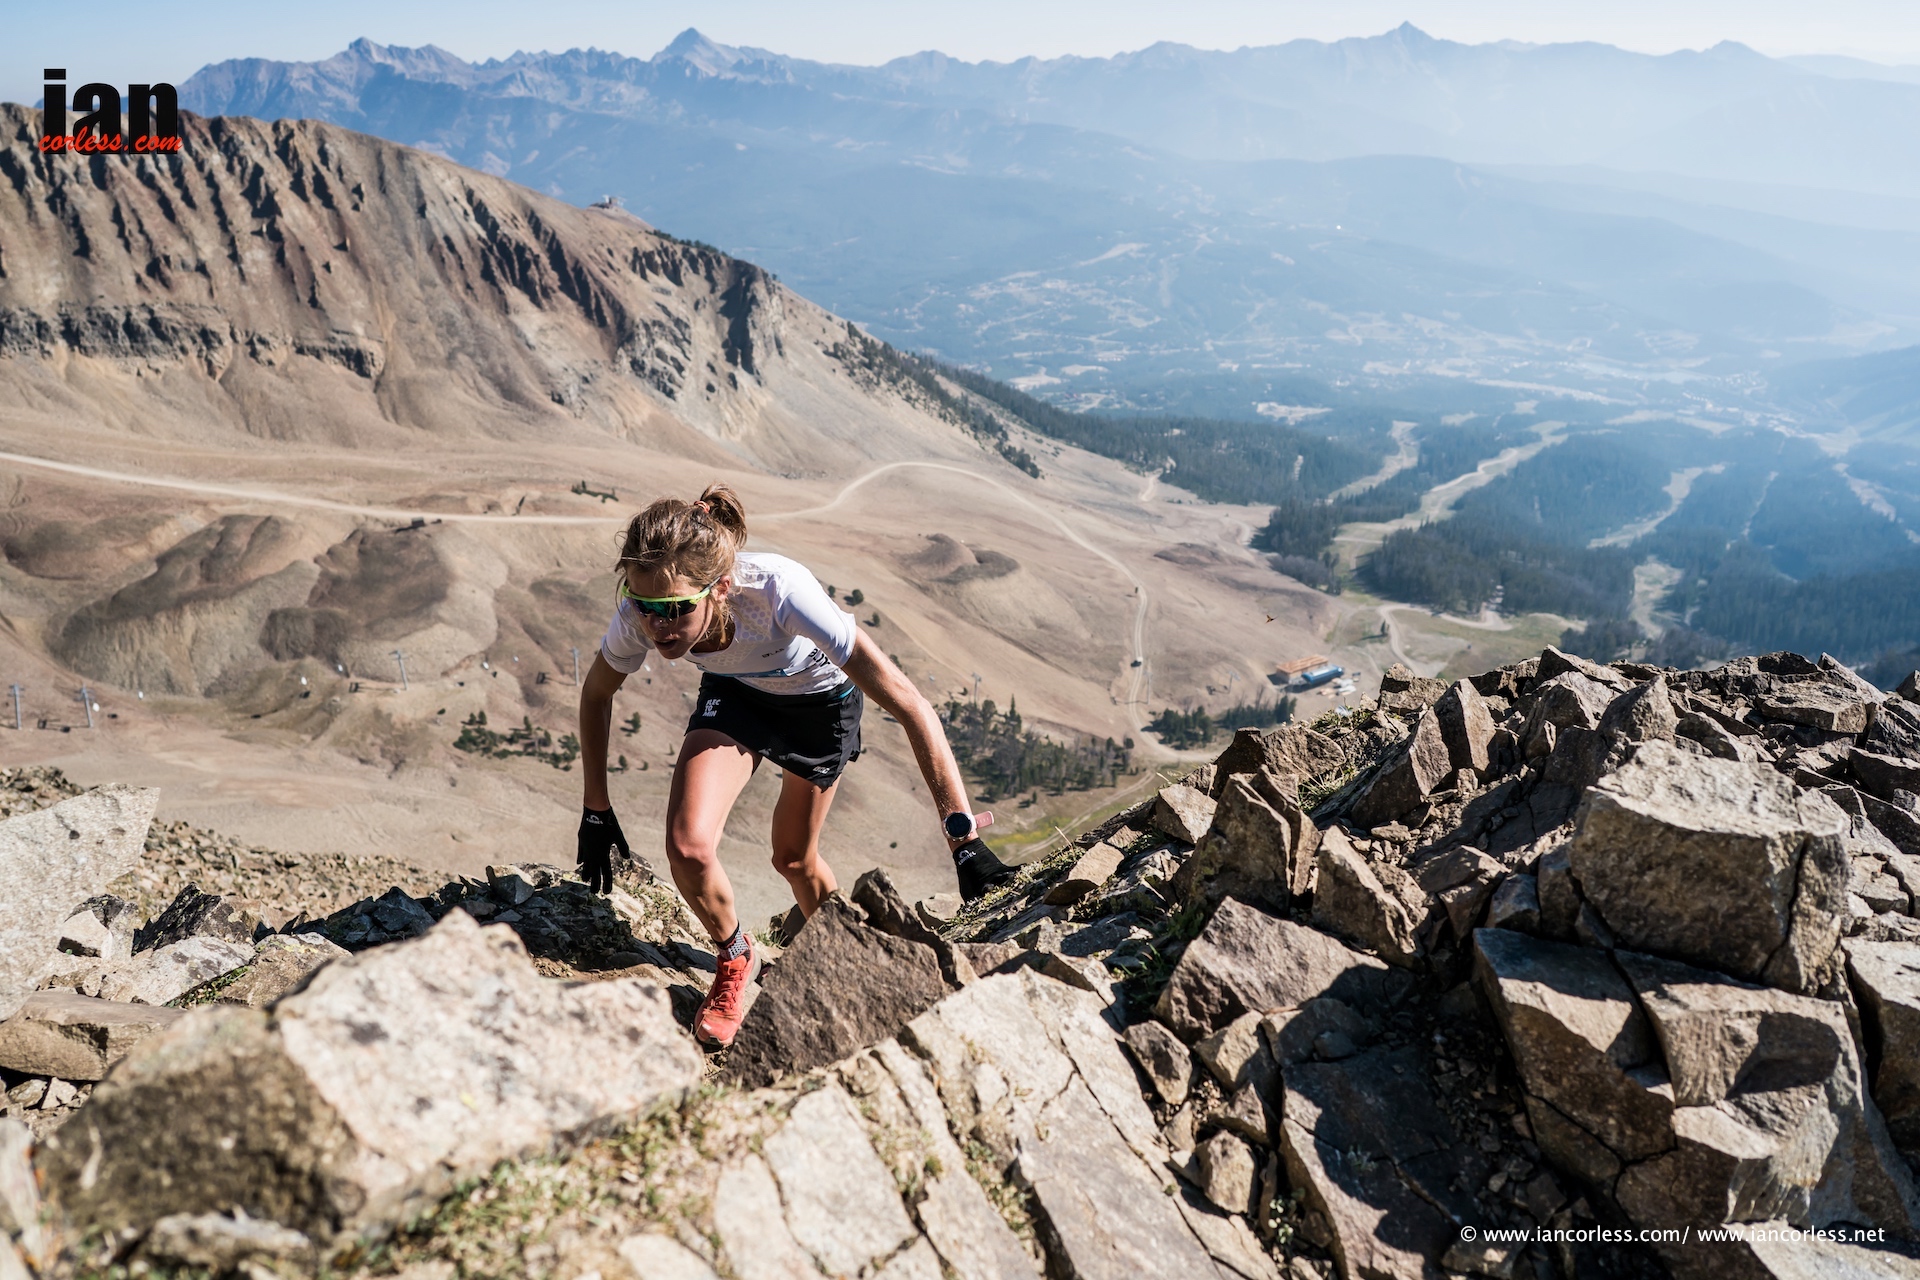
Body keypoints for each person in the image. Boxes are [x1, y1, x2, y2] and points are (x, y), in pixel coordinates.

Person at [575, 483, 1017, 1048]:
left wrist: (963, 839)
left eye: (677, 609)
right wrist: (595, 809)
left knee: (792, 858)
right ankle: (736, 956)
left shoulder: (780, 591)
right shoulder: (639, 615)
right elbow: (596, 695)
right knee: (687, 846)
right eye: (645, 607)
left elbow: (910, 703)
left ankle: (849, 961)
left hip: (820, 706)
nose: (658, 626)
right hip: (739, 695)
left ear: (721, 588)